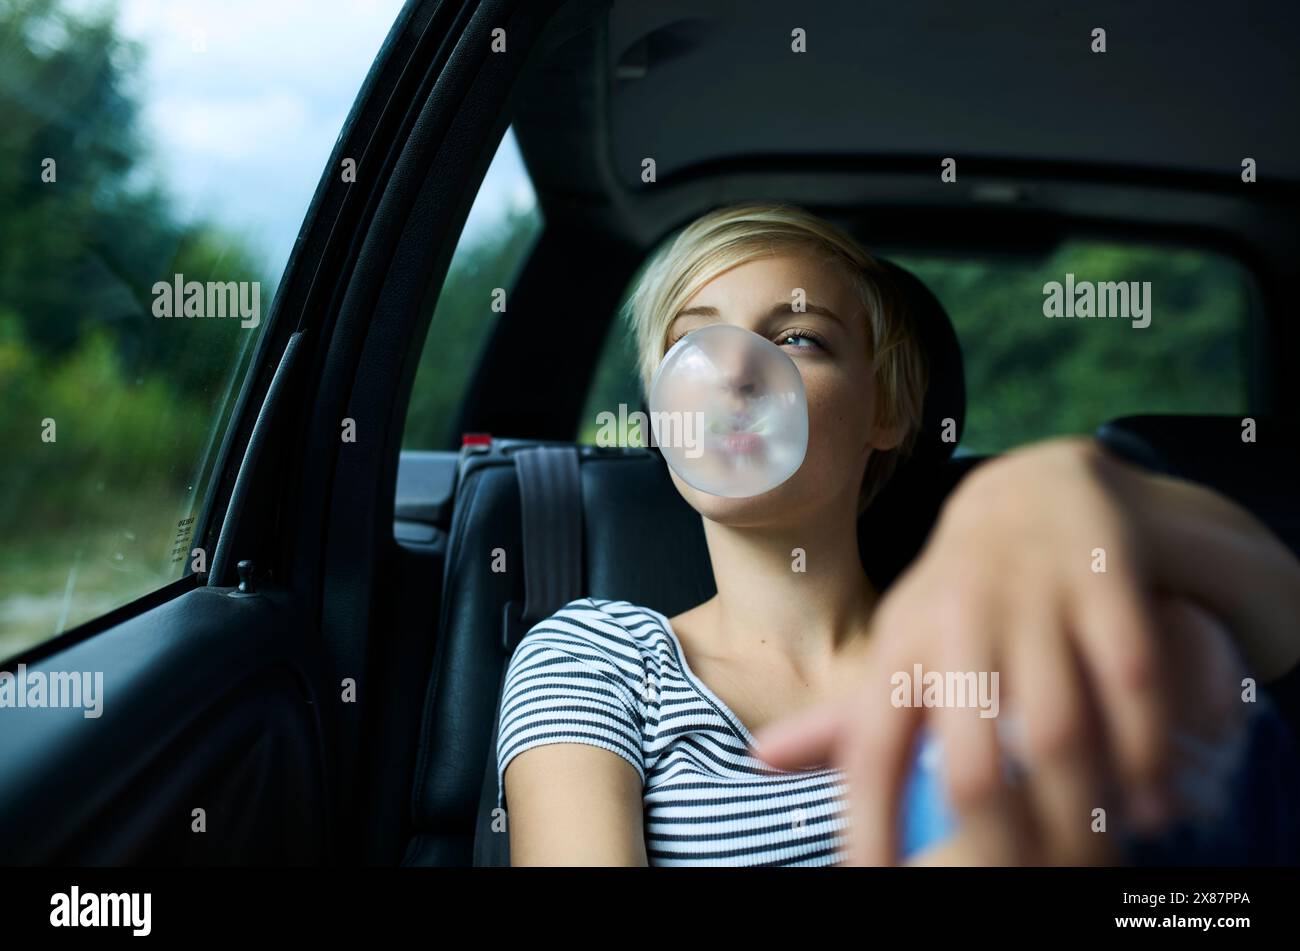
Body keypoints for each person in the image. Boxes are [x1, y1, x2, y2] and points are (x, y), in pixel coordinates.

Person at [495, 202, 1300, 866]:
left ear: (886, 412)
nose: (735, 373)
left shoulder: (997, 643)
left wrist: (1103, 491)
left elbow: (1281, 629)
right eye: (692, 342)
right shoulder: (595, 659)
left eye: (798, 338)